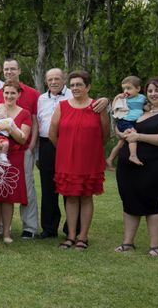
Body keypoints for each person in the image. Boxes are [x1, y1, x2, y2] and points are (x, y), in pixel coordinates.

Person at [115, 77, 158, 256]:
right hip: (127, 166)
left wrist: (139, 137)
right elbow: (123, 127)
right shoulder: (141, 111)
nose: (153, 94)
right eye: (150, 91)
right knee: (129, 201)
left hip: (154, 165)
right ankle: (128, 243)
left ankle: (155, 246)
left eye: (157, 90)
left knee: (152, 201)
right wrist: (121, 132)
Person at [49, 71, 110, 250]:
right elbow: (53, 133)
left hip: (89, 160)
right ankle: (70, 236)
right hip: (67, 159)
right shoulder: (62, 106)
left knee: (86, 196)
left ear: (88, 87)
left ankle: (83, 237)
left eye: (79, 85)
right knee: (72, 198)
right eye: (73, 85)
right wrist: (66, 148)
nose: (75, 88)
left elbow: (105, 134)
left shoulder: (97, 106)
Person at [0, 59, 39, 239]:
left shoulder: (32, 94)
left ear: (19, 70)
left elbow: (34, 122)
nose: (9, 72)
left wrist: (30, 147)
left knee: (26, 188)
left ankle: (30, 227)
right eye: (7, 69)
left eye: (13, 69)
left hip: (21, 150)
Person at [0, 79, 32, 244]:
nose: (9, 96)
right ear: (2, 94)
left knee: (8, 196)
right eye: (6, 93)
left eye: (13, 93)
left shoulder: (24, 113)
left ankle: (7, 232)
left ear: (18, 95)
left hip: (13, 157)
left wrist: (10, 128)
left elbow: (23, 139)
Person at [36, 68, 72, 239]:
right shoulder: (41, 99)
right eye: (50, 79)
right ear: (46, 81)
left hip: (67, 144)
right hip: (46, 145)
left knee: (69, 187)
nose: (53, 82)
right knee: (48, 188)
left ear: (64, 79)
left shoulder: (73, 95)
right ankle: (49, 228)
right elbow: (39, 122)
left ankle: (72, 228)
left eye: (57, 78)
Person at [107, 76, 147, 168]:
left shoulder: (142, 98)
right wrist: (117, 97)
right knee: (133, 135)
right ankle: (133, 155)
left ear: (138, 88)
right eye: (124, 88)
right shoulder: (123, 99)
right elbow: (114, 109)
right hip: (125, 121)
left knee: (121, 143)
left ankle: (110, 158)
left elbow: (146, 107)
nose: (126, 91)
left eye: (128, 88)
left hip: (135, 122)